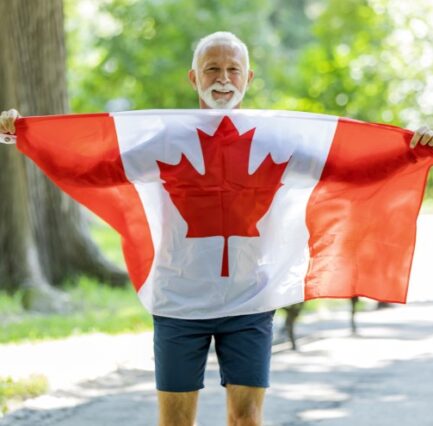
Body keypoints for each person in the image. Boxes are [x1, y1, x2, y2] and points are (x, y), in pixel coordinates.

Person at [1, 31, 433, 426]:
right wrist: (26, 138)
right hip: (178, 303)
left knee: (246, 419)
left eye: (232, 70)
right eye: (212, 68)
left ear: (248, 77)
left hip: (250, 301)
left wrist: (410, 154)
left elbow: (345, 170)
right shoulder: (165, 140)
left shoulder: (277, 140)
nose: (223, 79)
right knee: (176, 423)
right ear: (194, 77)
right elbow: (96, 170)